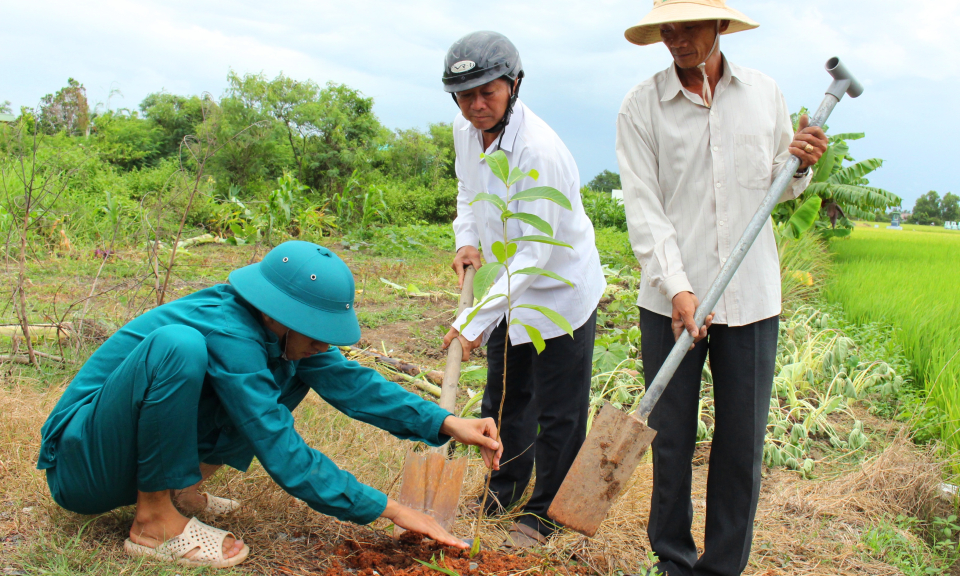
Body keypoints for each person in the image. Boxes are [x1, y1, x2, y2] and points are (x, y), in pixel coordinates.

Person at [37, 241, 503, 569]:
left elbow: (354, 384)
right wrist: (394, 510)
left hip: (122, 453)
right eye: (315, 330)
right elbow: (281, 448)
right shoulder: (229, 330)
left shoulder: (279, 335)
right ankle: (154, 522)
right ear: (275, 313)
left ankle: (180, 492)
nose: (324, 343)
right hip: (82, 465)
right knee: (179, 347)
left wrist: (446, 422)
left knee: (295, 368)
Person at [615, 1, 828, 575]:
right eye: (667, 28)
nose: (676, 37)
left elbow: (780, 186)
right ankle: (673, 561)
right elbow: (644, 209)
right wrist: (678, 288)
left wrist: (800, 164)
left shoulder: (764, 94)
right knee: (670, 439)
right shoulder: (641, 106)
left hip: (751, 298)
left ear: (719, 27)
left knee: (741, 445)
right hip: (669, 302)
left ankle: (723, 567)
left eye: (688, 25)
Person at [439, 30, 606, 549]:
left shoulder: (538, 151)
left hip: (559, 292)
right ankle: (503, 492)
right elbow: (468, 189)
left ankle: (545, 514)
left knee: (559, 411)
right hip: (506, 291)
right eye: (465, 96)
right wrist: (467, 240)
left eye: (487, 92)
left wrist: (471, 322)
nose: (476, 105)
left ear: (514, 84)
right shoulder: (466, 130)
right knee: (506, 396)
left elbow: (535, 255)